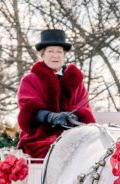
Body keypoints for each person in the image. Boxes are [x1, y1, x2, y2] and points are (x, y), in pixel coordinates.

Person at [16, 28, 96, 159]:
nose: (55, 55)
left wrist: (73, 116)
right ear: (42, 54)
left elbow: (84, 108)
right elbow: (28, 107)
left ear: (64, 55)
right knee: (59, 150)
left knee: (91, 151)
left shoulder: (76, 81)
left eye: (59, 51)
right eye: (50, 51)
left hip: (74, 133)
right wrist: (50, 117)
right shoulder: (30, 79)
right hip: (40, 135)